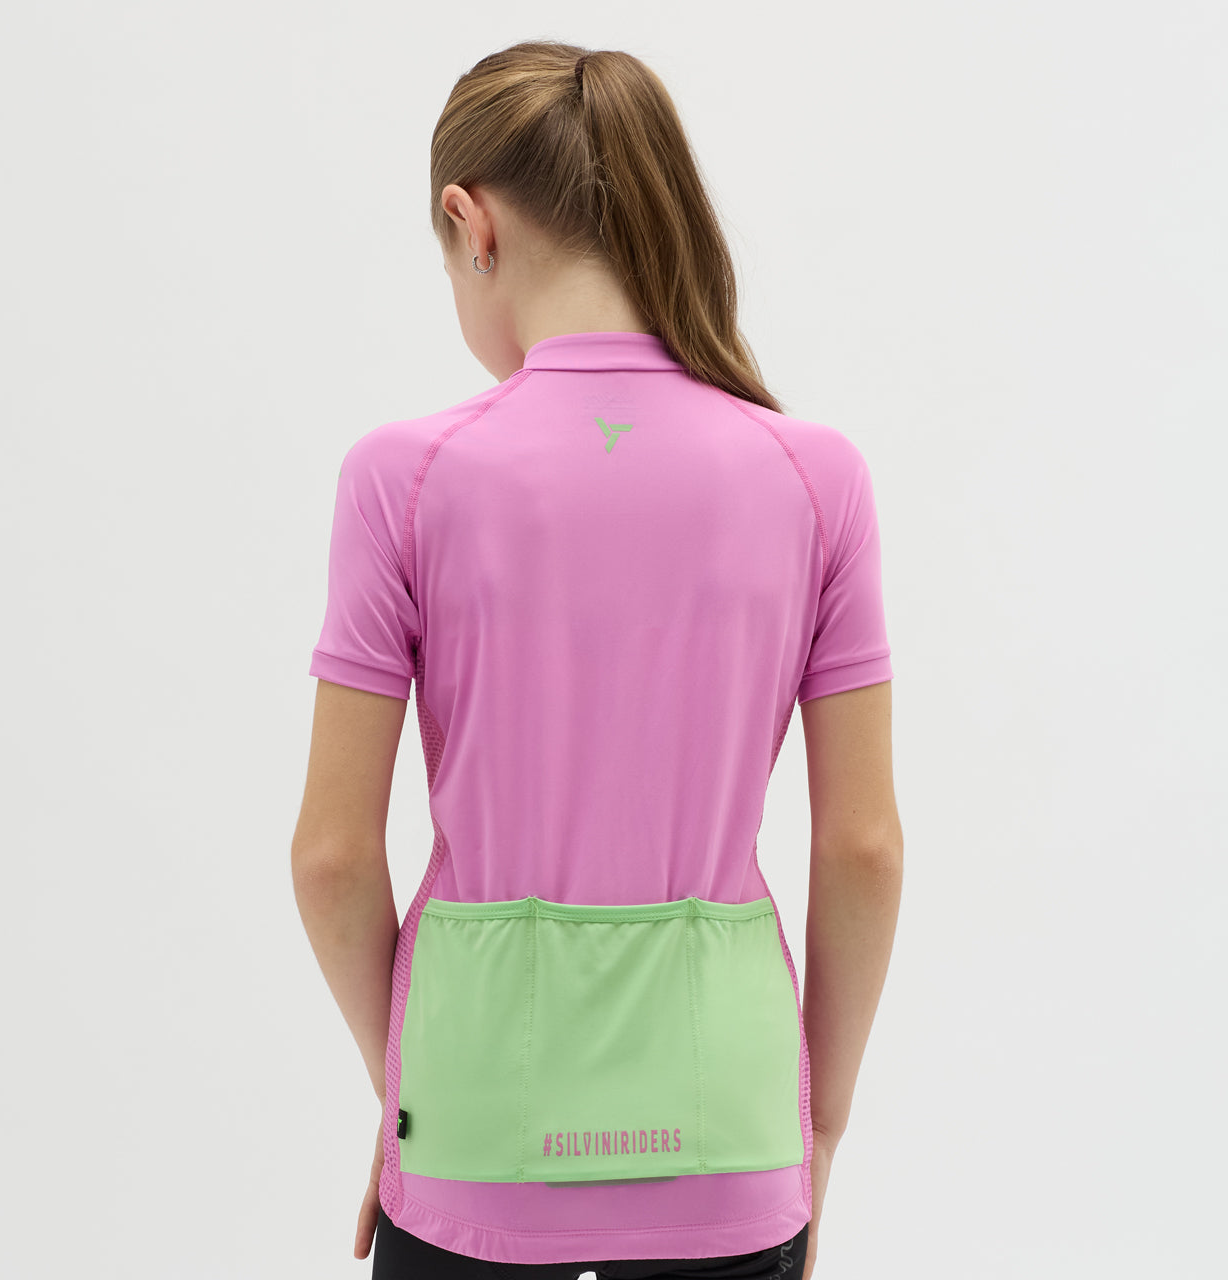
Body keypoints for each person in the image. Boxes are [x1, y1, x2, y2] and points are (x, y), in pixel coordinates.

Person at [291, 39, 904, 1280]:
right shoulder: (814, 477)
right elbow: (861, 846)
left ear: (470, 224)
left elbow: (331, 856)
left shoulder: (401, 478)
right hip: (734, 1138)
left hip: (470, 1130)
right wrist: (819, 1125)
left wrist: (419, 1093)